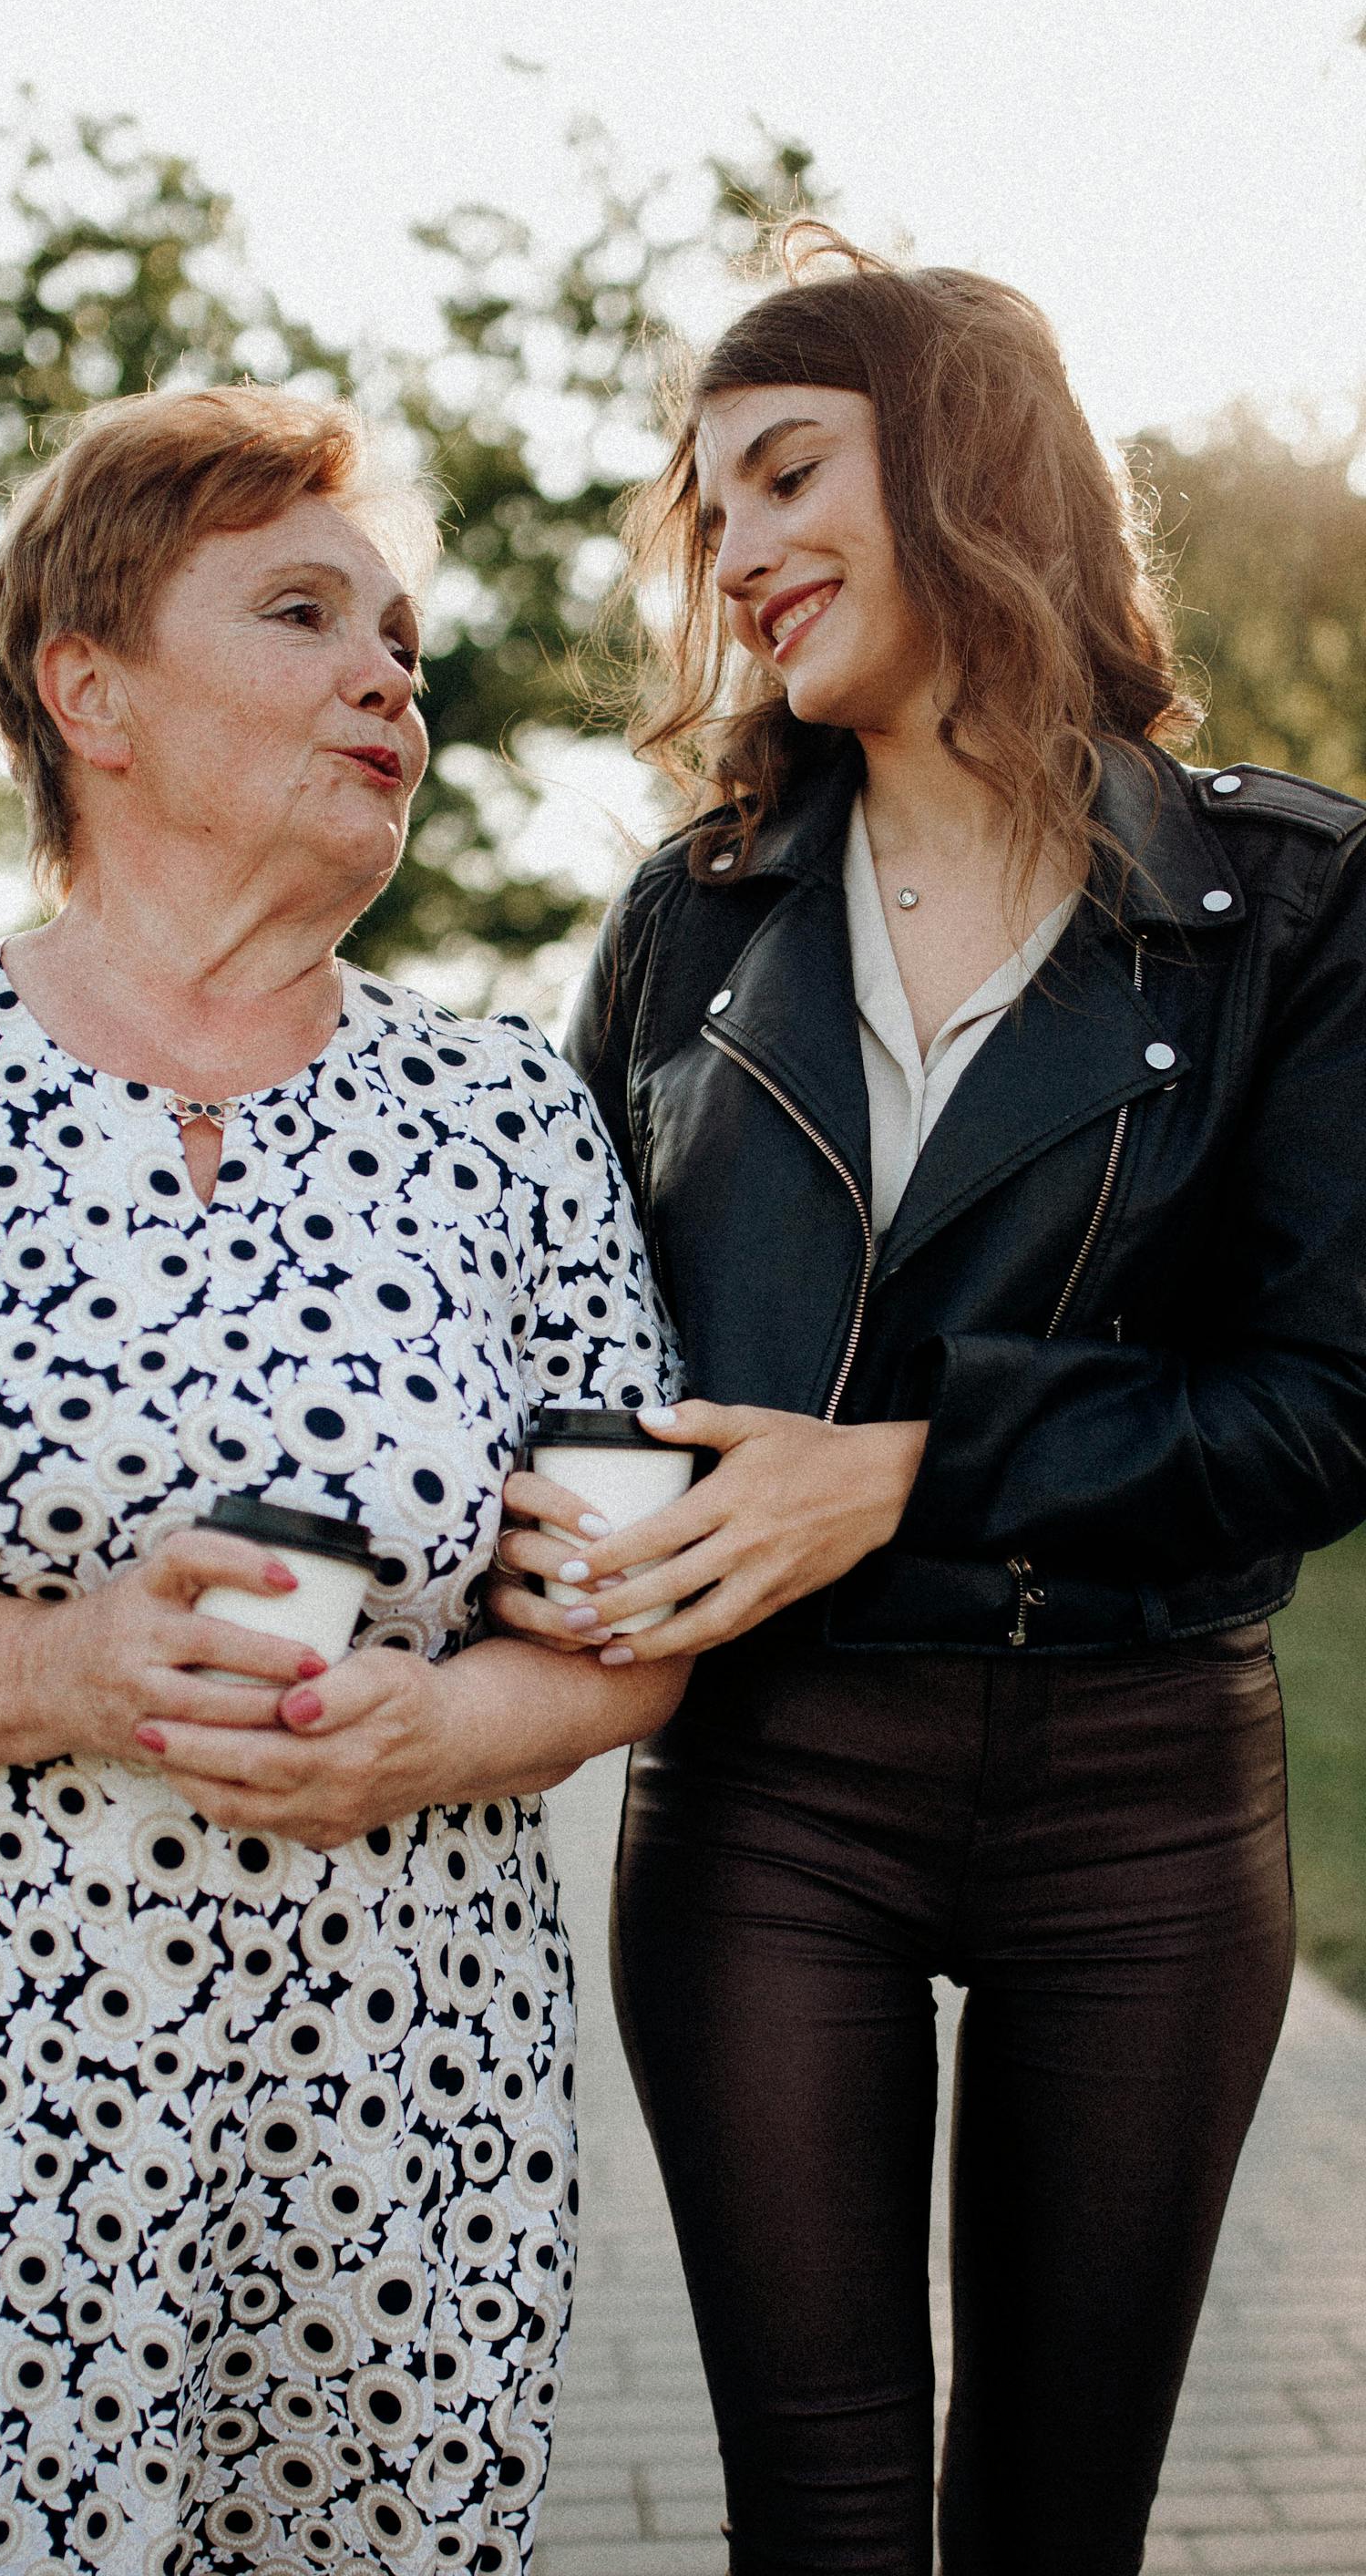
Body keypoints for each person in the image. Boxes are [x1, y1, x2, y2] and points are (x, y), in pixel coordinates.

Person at [0, 384, 687, 2576]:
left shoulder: (507, 1116)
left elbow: (623, 1623)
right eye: (306, 612)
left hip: (413, 2109)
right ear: (85, 687)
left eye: (402, 634)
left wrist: (434, 1727)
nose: (391, 672)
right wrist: (72, 1672)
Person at [488, 225, 1366, 2574]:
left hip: (1147, 1802)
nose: (743, 554)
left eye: (787, 476)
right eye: (713, 512)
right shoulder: (691, 916)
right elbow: (577, 1353)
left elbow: (1324, 1410)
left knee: (1055, 2531)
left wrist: (906, 1471)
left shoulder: (1291, 904)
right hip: (770, 1798)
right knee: (833, 2526)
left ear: (972, 466)